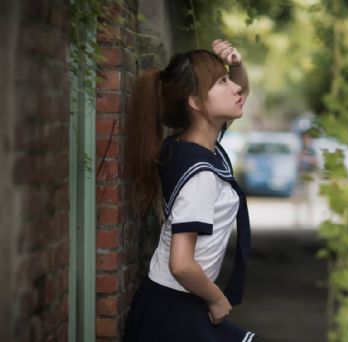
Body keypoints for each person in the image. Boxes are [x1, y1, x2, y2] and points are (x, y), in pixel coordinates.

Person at [123, 39, 256, 342]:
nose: (235, 88)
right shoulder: (200, 175)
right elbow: (181, 264)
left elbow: (241, 91)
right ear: (195, 102)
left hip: (172, 302)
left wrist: (236, 65)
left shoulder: (189, 145)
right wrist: (217, 298)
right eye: (222, 82)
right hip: (174, 310)